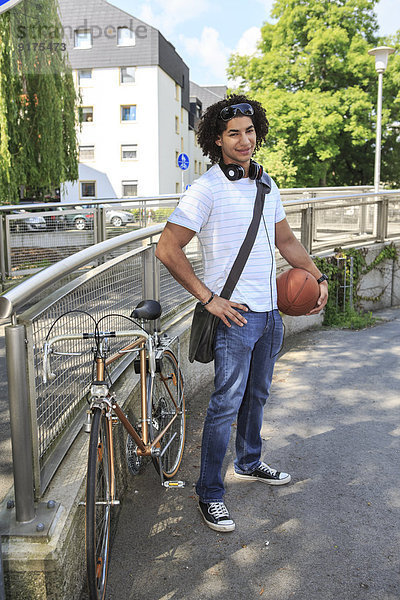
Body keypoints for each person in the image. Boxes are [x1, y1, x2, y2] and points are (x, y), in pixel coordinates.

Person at [155, 94, 328, 532]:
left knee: (257, 396)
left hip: (271, 314)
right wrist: (207, 298)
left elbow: (286, 242)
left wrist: (317, 275)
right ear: (218, 139)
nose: (244, 140)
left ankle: (249, 461)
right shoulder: (206, 188)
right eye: (234, 133)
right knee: (224, 405)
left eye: (250, 131)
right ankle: (209, 492)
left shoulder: (267, 184)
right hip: (234, 317)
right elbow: (166, 248)